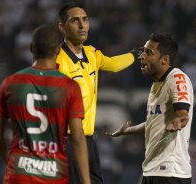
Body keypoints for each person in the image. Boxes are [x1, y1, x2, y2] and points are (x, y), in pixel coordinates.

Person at [0, 24, 90, 184]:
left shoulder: (10, 83)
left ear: (31, 48)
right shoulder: (70, 87)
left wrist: (13, 162)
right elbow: (77, 138)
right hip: (54, 176)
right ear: (58, 50)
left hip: (19, 175)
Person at [56, 2, 141, 184]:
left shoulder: (92, 53)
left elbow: (112, 63)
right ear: (62, 27)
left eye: (85, 20)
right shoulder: (57, 60)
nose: (82, 25)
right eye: (75, 20)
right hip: (66, 141)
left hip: (87, 140)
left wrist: (136, 54)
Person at [107, 33, 194, 184]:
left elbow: (183, 115)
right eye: (142, 51)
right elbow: (153, 123)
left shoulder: (177, 78)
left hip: (170, 171)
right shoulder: (156, 85)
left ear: (165, 60)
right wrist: (128, 131)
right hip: (153, 168)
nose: (141, 56)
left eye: (148, 52)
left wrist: (178, 120)